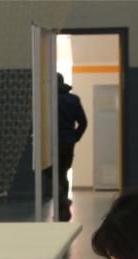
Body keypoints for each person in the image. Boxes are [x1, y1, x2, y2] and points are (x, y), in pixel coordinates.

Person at [56, 73, 88, 221]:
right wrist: (74, 137)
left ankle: (61, 202)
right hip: (68, 143)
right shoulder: (73, 100)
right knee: (63, 172)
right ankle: (63, 203)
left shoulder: (47, 100)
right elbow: (83, 123)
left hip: (51, 143)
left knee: (53, 176)